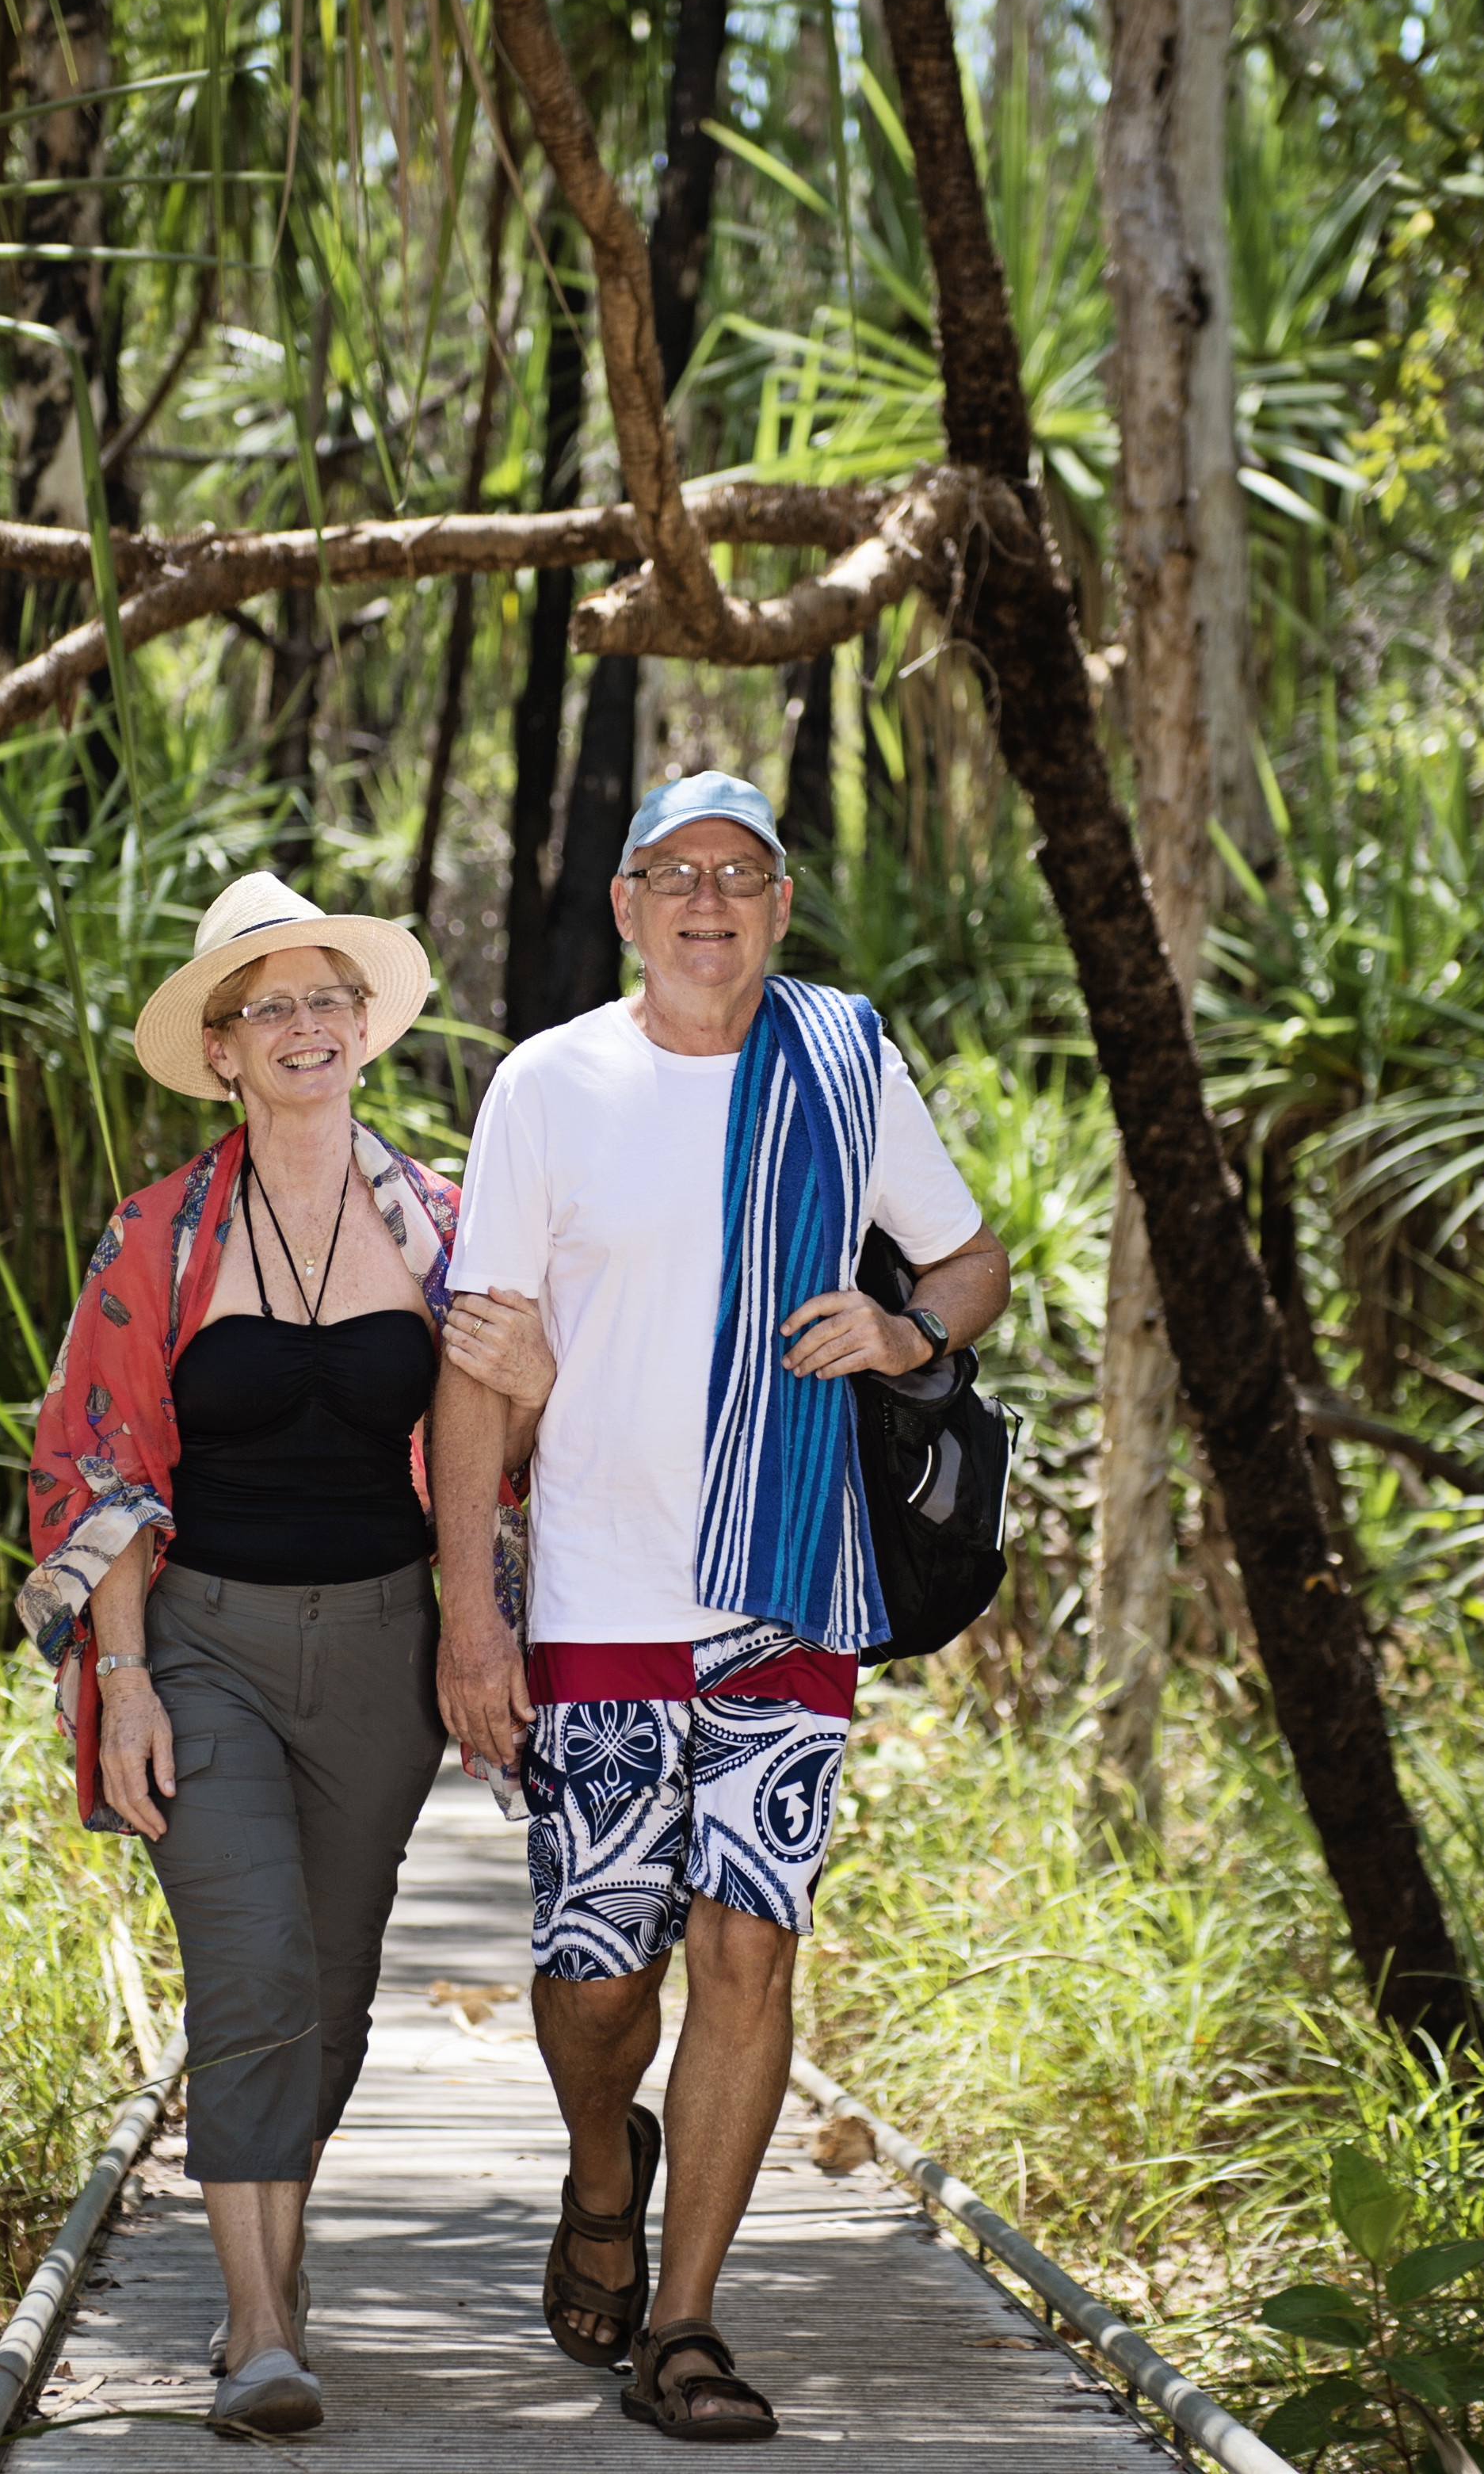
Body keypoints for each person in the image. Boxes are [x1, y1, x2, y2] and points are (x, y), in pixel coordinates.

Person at [431, 771, 1012, 2444]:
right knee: (596, 1967)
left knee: (747, 1943)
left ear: (776, 905)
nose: (707, 902)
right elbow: (476, 1368)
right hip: (602, 1592)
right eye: (675, 874)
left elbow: (966, 1258)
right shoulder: (549, 1085)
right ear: (624, 906)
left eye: (739, 877)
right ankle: (600, 2171)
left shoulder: (840, 1061)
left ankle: (682, 2321)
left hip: (788, 1588)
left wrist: (907, 1334)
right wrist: (473, 1616)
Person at [18, 872, 551, 2439]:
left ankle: (278, 2251)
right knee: (247, 1966)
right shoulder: (158, 1238)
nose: (308, 1024)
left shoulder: (449, 1230)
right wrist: (121, 1679)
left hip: (385, 1651)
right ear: (226, 1050)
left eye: (330, 996)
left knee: (325, 1989)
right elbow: (94, 1468)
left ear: (365, 1030)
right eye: (274, 1005)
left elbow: (518, 1448)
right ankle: (257, 2324)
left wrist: (530, 1384)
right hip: (206, 1648)